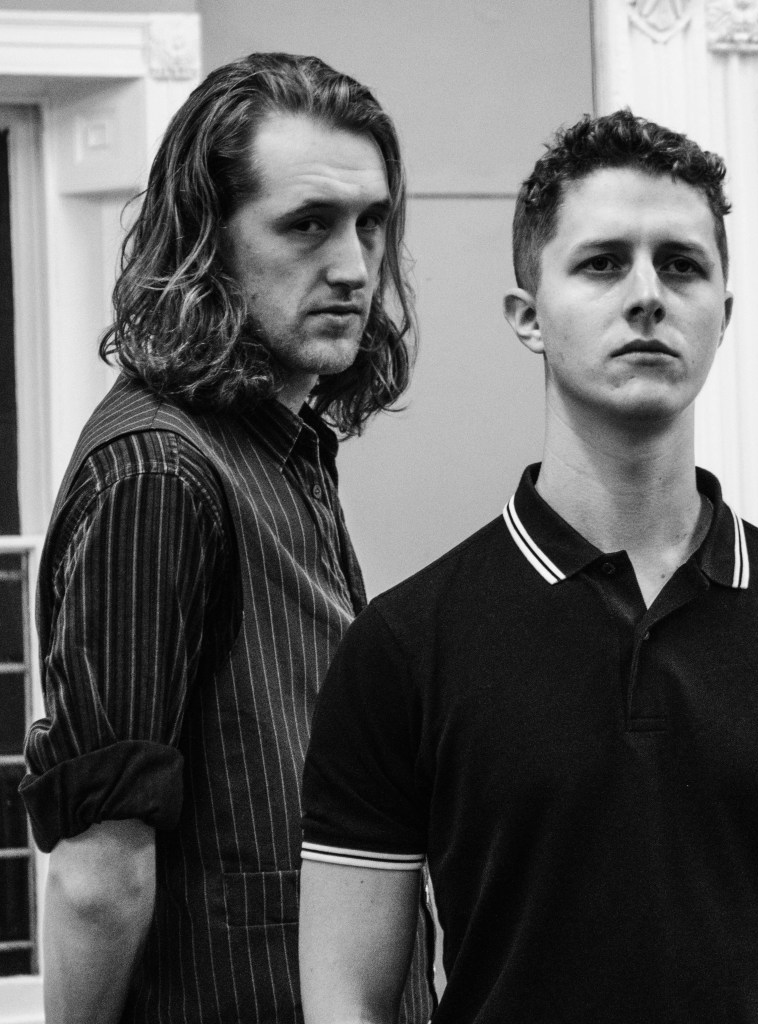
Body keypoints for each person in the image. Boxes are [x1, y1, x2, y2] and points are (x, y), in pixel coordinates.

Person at [299, 110, 758, 1023]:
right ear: (529, 316)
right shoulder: (404, 645)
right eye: (602, 264)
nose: (647, 296)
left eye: (681, 265)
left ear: (723, 314)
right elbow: (345, 996)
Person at [20, 53, 434, 1024]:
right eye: (307, 224)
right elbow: (98, 876)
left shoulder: (281, 451)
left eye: (371, 223)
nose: (353, 266)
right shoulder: (160, 473)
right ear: (207, 240)